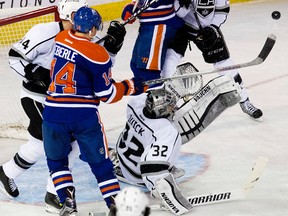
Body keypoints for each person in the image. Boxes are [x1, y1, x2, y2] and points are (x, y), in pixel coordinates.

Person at [0, 0, 126, 213]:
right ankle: (52, 196)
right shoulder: (45, 32)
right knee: (63, 144)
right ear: (66, 17)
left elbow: (97, 69)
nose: (79, 24)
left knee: (43, 145)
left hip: (61, 103)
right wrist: (36, 74)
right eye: (75, 18)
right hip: (37, 97)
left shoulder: (83, 36)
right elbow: (14, 57)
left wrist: (113, 47)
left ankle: (8, 172)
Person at [42, 6, 147, 216]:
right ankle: (115, 205)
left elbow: (78, 56)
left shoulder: (61, 38)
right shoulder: (98, 54)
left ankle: (67, 201)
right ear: (91, 30)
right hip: (83, 116)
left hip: (53, 113)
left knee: (57, 162)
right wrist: (130, 86)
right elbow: (106, 94)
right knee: (101, 164)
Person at [113, 70, 242, 215]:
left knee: (155, 136)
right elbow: (151, 169)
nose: (173, 108)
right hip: (138, 175)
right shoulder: (165, 131)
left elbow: (150, 93)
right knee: (174, 136)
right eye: (169, 107)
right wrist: (164, 194)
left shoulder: (134, 103)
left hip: (124, 162)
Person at [162, 0, 263, 120]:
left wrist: (213, 28)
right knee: (170, 59)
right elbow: (179, 13)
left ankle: (245, 101)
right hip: (183, 28)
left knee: (225, 64)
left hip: (207, 30)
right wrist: (182, 3)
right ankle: (167, 105)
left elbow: (222, 11)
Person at [121, 0, 184, 81]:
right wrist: (134, 7)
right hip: (148, 26)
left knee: (148, 71)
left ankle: (157, 89)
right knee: (136, 65)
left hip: (159, 24)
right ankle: (147, 88)